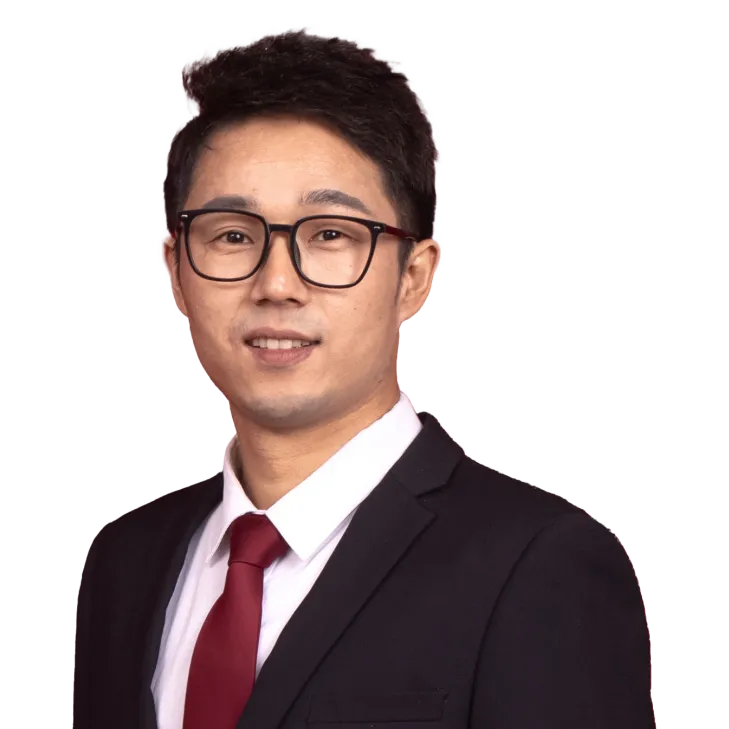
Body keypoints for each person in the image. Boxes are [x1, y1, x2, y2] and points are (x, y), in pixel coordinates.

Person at [71, 26, 657, 729]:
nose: (276, 283)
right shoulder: (126, 563)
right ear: (175, 267)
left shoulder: (538, 565)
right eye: (231, 235)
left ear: (414, 276)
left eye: (330, 234)